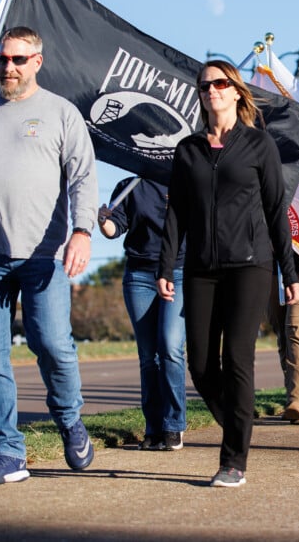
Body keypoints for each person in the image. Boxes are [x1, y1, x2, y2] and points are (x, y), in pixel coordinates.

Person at [0, 26, 98, 485]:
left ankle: (69, 419)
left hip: (44, 255)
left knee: (52, 345)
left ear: (37, 62)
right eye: (2, 59)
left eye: (18, 60)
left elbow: (83, 178)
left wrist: (82, 231)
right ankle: (8, 451)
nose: (8, 68)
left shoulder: (61, 114)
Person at [157, 59, 299, 488]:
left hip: (250, 266)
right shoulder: (188, 149)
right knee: (200, 363)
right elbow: (177, 212)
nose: (212, 90)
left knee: (237, 358)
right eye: (205, 86)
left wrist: (288, 272)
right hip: (201, 267)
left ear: (236, 92)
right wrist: (167, 264)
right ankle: (239, 419)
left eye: (220, 84)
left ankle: (233, 459)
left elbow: (277, 211)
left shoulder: (259, 146)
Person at [98, 177, 186, 451]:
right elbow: (115, 228)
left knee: (171, 347)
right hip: (139, 276)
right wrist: (103, 221)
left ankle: (174, 426)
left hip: (178, 272)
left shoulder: (185, 181)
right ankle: (154, 427)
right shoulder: (129, 184)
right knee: (149, 356)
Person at [266, 255, 299, 424]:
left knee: (295, 331)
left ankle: (297, 401)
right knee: (282, 334)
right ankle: (291, 392)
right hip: (272, 269)